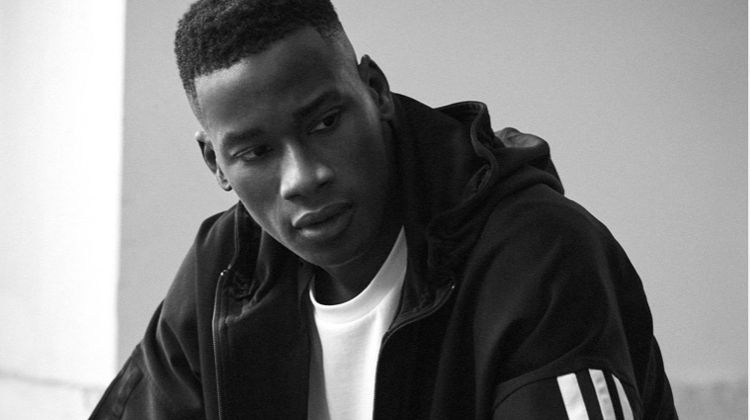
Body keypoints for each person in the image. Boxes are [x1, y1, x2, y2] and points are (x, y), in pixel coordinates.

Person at [90, 0, 678, 419]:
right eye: (256, 152)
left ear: (375, 90)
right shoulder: (225, 272)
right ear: (216, 163)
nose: (304, 177)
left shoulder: (536, 252)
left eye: (325, 122)